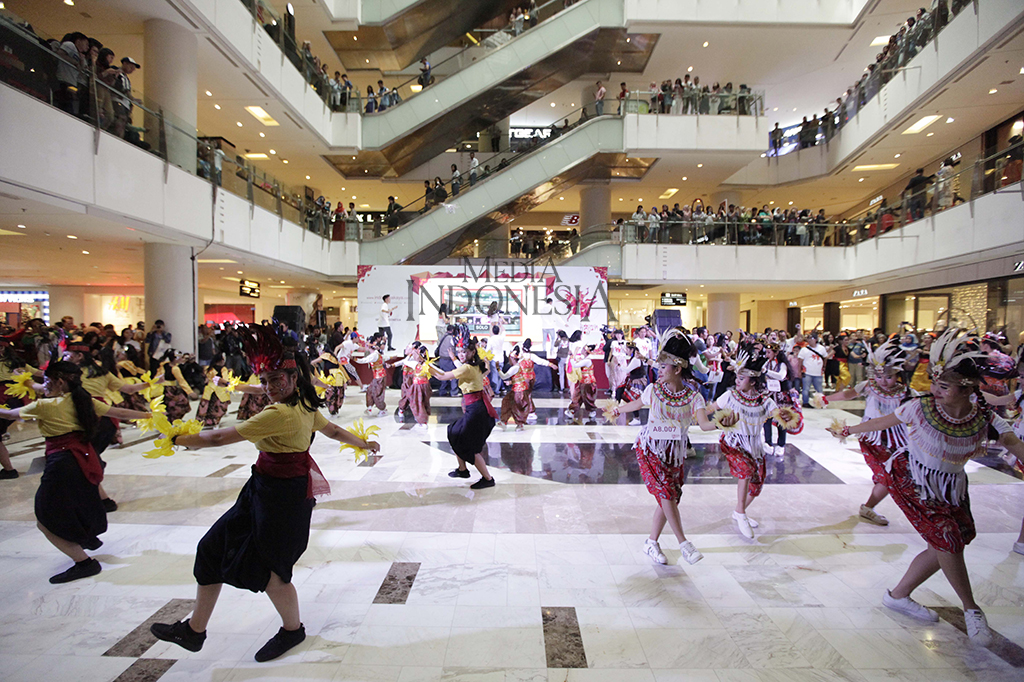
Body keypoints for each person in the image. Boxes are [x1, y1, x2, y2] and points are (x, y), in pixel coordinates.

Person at [149, 327, 379, 662]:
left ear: (294, 378)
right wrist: (363, 443)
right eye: (265, 380)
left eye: (275, 380)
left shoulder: (279, 413)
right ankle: (194, 630)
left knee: (273, 572)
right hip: (263, 490)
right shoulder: (302, 404)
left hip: (282, 499)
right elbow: (331, 430)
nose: (269, 387)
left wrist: (175, 438)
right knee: (211, 550)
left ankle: (292, 630)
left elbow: (218, 438)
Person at [828, 328, 1024, 646]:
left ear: (967, 389)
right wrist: (848, 429)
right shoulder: (920, 407)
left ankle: (898, 595)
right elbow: (882, 421)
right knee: (948, 539)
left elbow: (1014, 444)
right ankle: (972, 609)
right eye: (935, 383)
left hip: (952, 487)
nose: (934, 389)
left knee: (951, 541)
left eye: (944, 386)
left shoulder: (985, 418)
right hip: (911, 479)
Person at [0, 361, 148, 583]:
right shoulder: (83, 400)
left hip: (62, 463)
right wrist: (150, 416)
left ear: (59, 382)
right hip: (83, 458)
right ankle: (85, 537)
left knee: (45, 518)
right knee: (76, 503)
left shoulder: (45, 406)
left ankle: (84, 563)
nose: (43, 385)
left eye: (46, 381)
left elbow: (10, 414)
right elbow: (118, 412)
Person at [613, 331, 724, 564]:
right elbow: (638, 403)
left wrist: (723, 423)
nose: (659, 370)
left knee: (670, 498)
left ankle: (651, 542)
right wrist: (617, 409)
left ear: (678, 369)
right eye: (660, 366)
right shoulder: (653, 390)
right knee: (667, 494)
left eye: (664, 367)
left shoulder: (693, 397)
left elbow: (704, 424)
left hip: (674, 454)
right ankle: (684, 544)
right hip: (650, 450)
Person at [705, 352, 796, 539]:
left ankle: (739, 511)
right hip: (734, 442)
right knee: (745, 471)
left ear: (753, 381)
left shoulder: (765, 401)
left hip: (754, 446)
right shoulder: (730, 396)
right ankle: (741, 513)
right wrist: (694, 413)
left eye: (742, 378)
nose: (737, 381)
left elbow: (778, 414)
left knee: (756, 486)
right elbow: (710, 408)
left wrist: (786, 415)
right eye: (737, 377)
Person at [823, 340, 910, 525]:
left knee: (894, 476)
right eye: (879, 376)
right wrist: (826, 399)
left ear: (898, 374)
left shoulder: (907, 393)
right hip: (872, 439)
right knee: (888, 476)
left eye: (889, 377)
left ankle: (869, 507)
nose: (883, 381)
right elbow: (847, 394)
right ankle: (868, 507)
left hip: (898, 441)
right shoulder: (869, 386)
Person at [429, 337, 497, 488]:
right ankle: (462, 470)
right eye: (459, 351)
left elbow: (441, 376)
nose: (461, 354)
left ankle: (488, 479)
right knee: (454, 432)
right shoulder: (476, 366)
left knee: (470, 446)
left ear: (472, 352)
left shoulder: (467, 368)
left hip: (476, 410)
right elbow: (486, 370)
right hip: (476, 407)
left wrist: (424, 366)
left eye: (464, 351)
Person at [356, 333, 390, 417]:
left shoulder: (374, 355)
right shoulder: (375, 353)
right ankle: (369, 408)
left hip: (380, 377)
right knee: (370, 391)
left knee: (377, 394)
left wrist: (354, 358)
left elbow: (364, 360)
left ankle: (382, 410)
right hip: (377, 376)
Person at [798, 334, 827, 407]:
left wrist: (824, 366)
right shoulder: (804, 349)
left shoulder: (821, 348)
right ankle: (805, 402)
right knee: (806, 389)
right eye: (808, 338)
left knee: (819, 389)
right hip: (807, 372)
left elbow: (825, 357)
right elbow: (800, 360)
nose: (810, 340)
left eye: (812, 338)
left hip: (818, 372)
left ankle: (821, 402)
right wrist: (800, 370)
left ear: (816, 339)